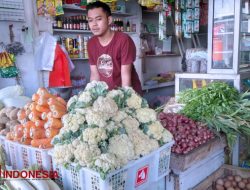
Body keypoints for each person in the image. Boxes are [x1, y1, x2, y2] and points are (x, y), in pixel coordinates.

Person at [86, 1, 143, 95]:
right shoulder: (91, 43)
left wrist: (125, 101)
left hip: (128, 95)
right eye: (90, 20)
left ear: (109, 20)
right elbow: (94, 74)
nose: (94, 24)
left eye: (98, 19)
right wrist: (91, 96)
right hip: (107, 97)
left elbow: (126, 77)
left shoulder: (124, 40)